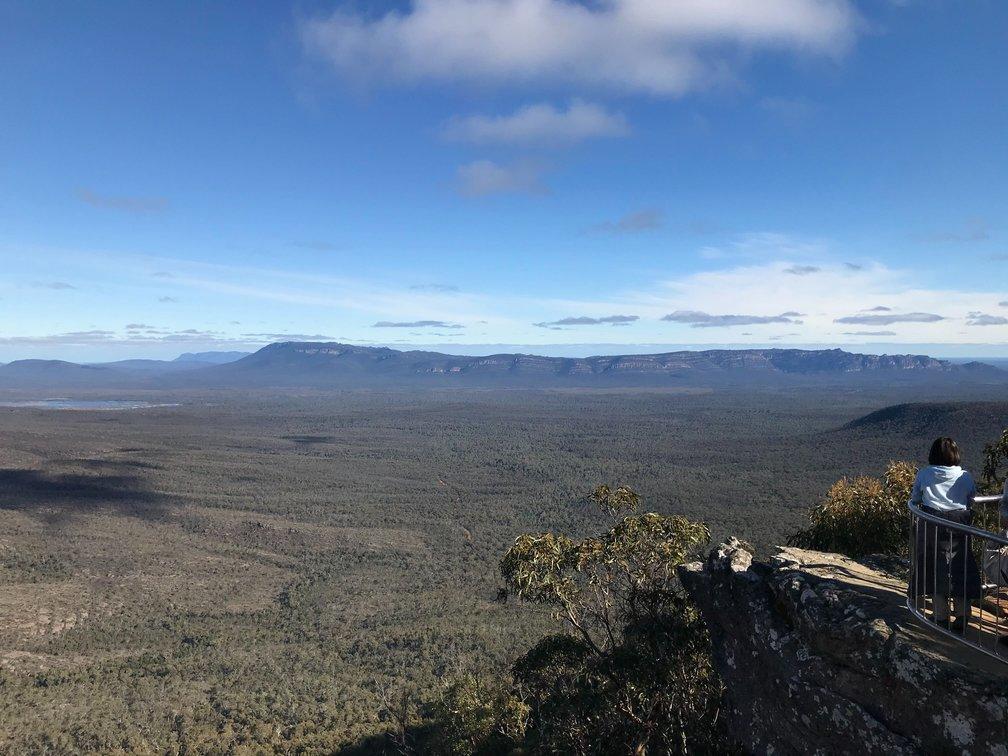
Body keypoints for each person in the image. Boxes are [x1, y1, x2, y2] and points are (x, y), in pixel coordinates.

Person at [908, 437, 983, 634]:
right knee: (960, 566)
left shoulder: (924, 474)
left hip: (932, 524)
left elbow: (915, 498)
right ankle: (963, 614)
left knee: (934, 567)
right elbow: (971, 497)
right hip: (960, 525)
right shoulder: (965, 476)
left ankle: (940, 615)